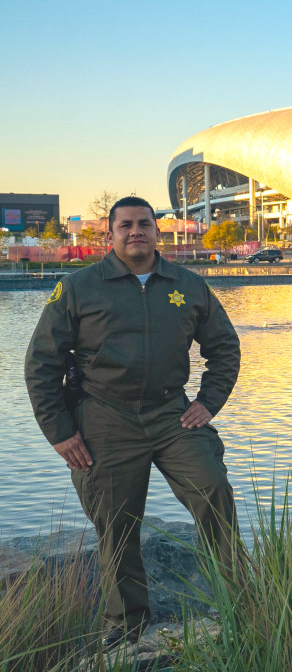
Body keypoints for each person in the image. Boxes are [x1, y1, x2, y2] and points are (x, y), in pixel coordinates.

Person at [24, 196, 241, 648]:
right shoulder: (80, 287)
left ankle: (239, 602)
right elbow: (41, 362)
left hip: (171, 415)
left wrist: (209, 402)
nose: (135, 231)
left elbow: (225, 348)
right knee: (117, 521)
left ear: (158, 231)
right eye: (125, 225)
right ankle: (127, 626)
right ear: (110, 234)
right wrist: (61, 433)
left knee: (213, 488)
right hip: (104, 416)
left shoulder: (187, 284)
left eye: (144, 224)